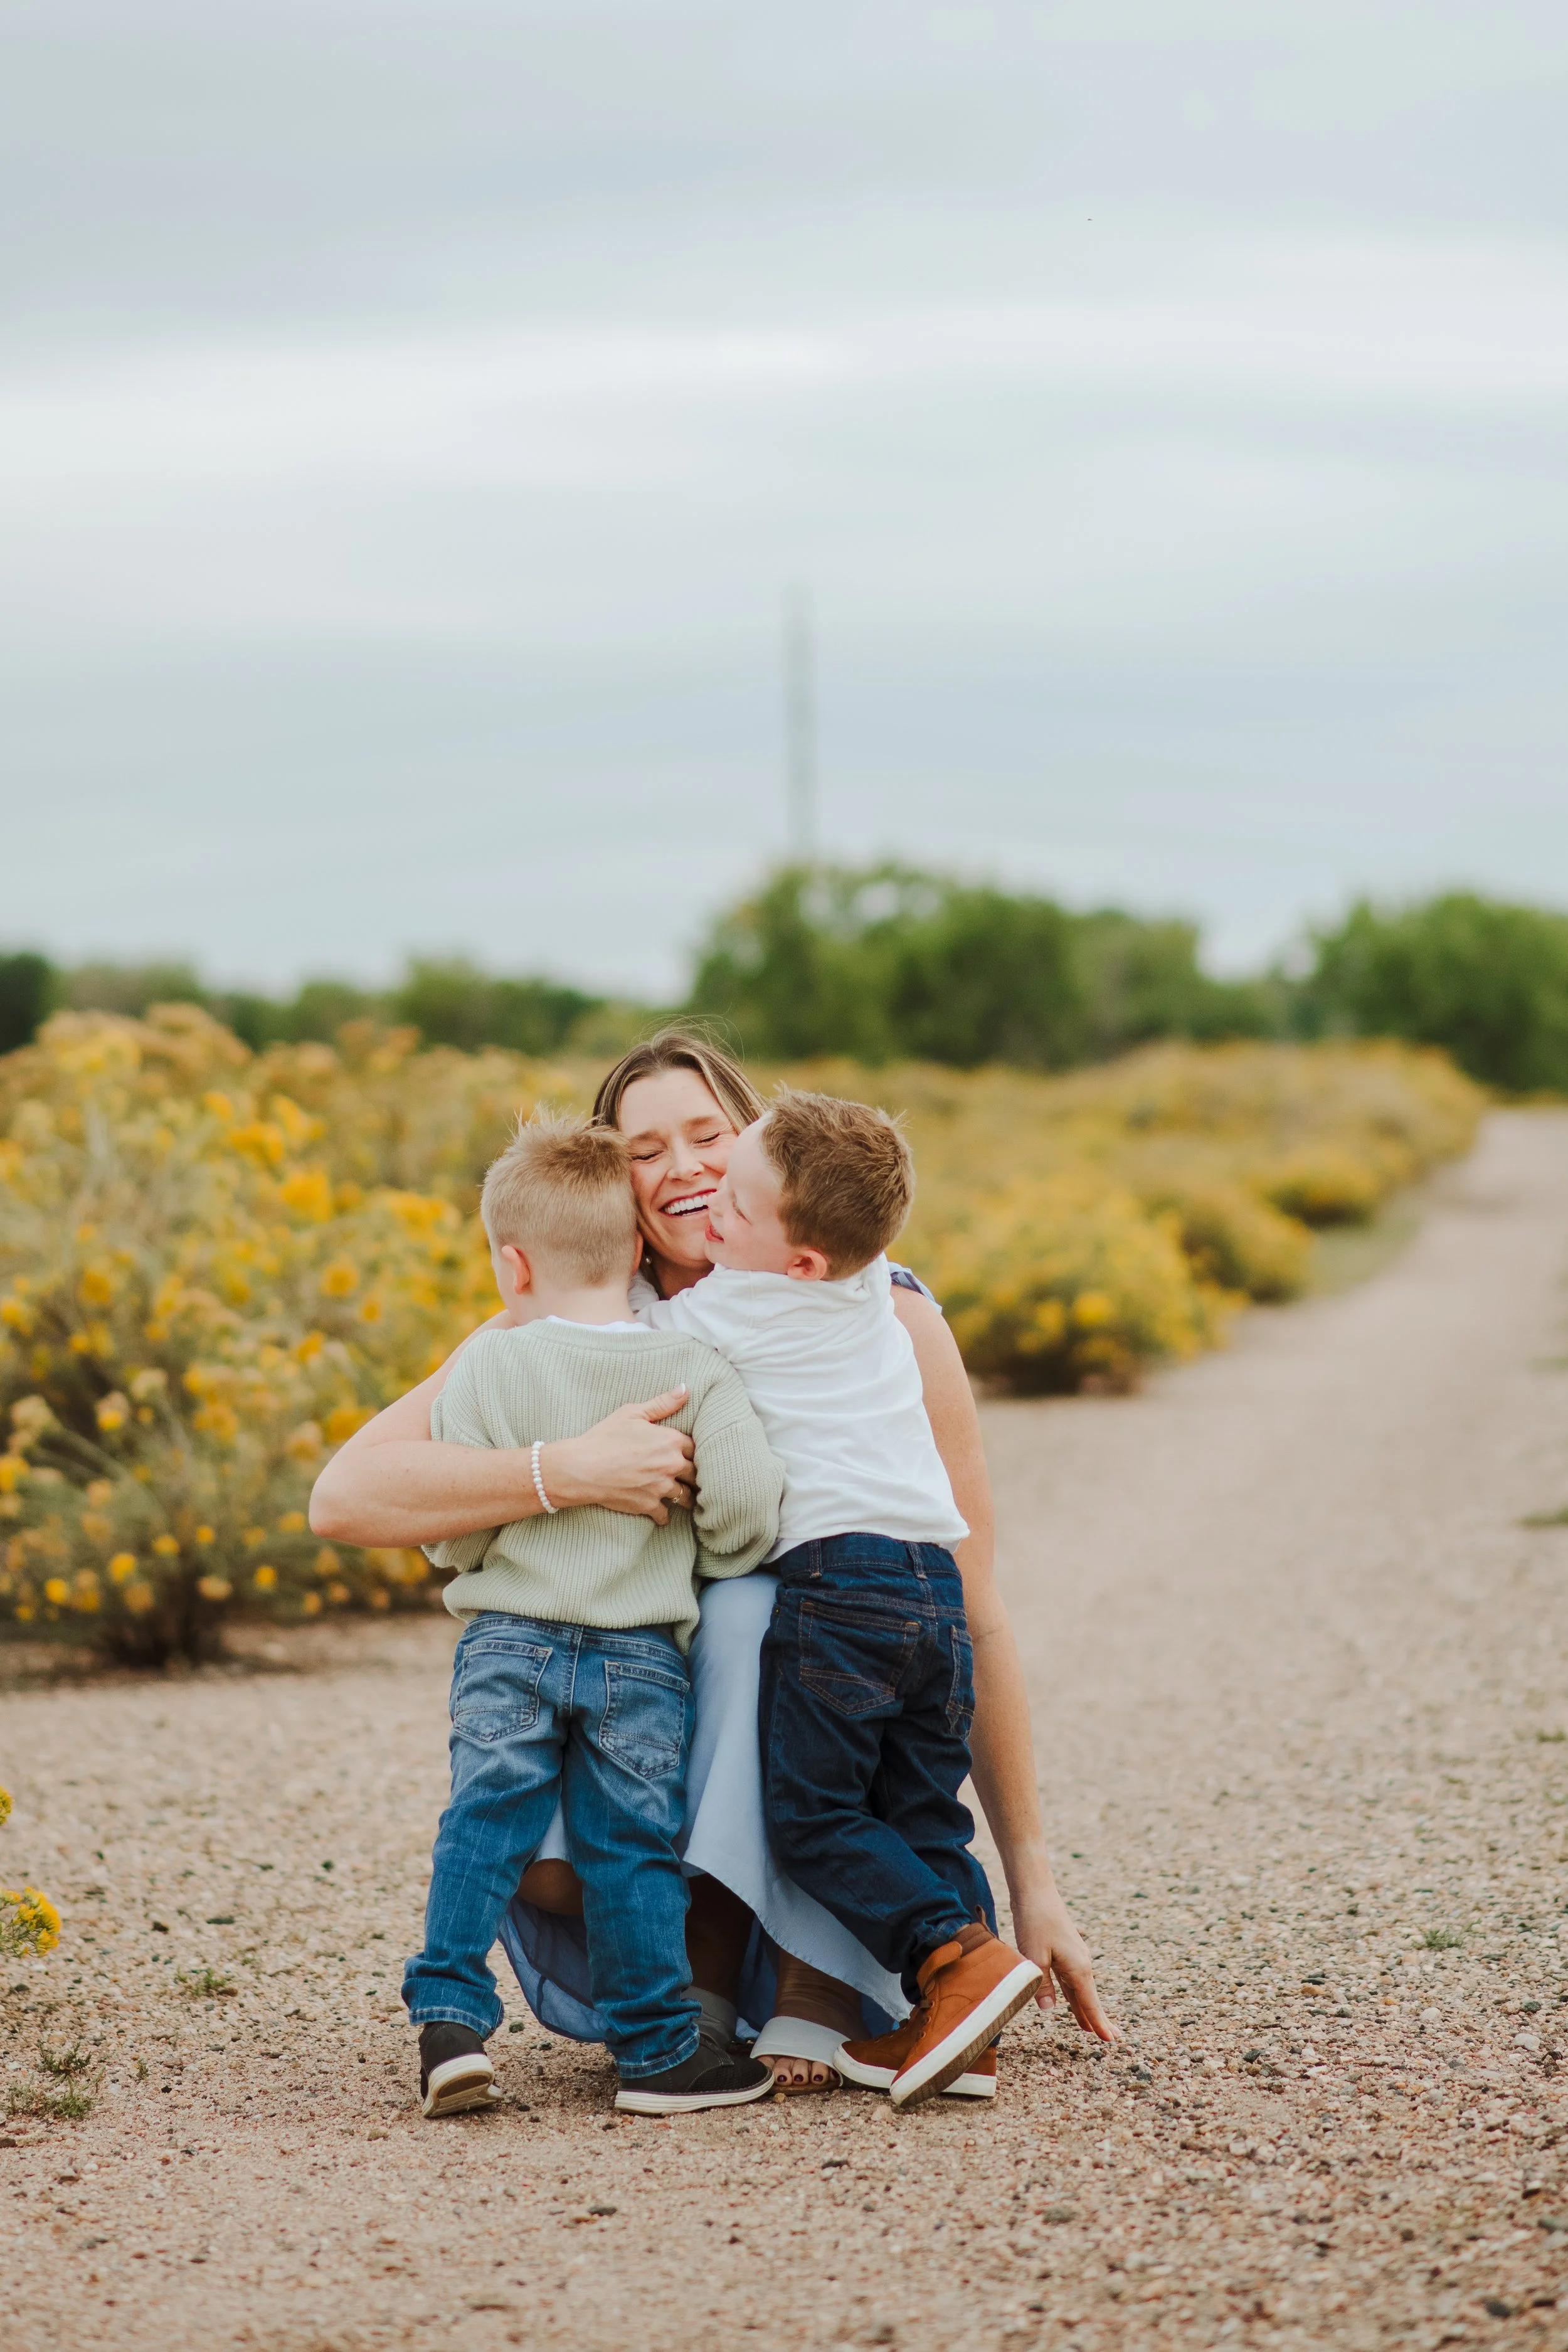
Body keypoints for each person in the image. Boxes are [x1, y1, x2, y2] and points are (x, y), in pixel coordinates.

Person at [310, 1032, 1116, 2094]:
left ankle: (813, 1974)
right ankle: (711, 1968)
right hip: (624, 1727)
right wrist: (568, 1469)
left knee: (752, 1607)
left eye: (708, 1135)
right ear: (611, 1179)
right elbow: (344, 1494)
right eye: (646, 1149)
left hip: (819, 1713)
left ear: (758, 1157)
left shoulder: (880, 1313)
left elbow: (971, 1605)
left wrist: (1036, 1881)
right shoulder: (574, 1319)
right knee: (560, 1846)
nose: (685, 1168)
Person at [647, 1087, 1045, 2105]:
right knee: (918, 1813)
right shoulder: (877, 1287)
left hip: (842, 1583)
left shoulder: (727, 1303)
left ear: (803, 1260)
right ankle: (960, 2034)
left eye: (734, 1201)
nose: (713, 1212)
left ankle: (956, 1959)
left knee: (814, 1811)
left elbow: (638, 1340)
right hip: (930, 1589)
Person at [402, 1113, 781, 2118]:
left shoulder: (487, 1364)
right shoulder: (693, 1366)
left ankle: (448, 2022)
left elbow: (455, 1533)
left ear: (512, 1267)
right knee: (634, 1848)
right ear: (636, 1252)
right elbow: (746, 1507)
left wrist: (498, 1543)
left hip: (508, 1638)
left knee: (481, 1824)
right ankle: (658, 2052)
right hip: (641, 1656)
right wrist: (710, 1550)